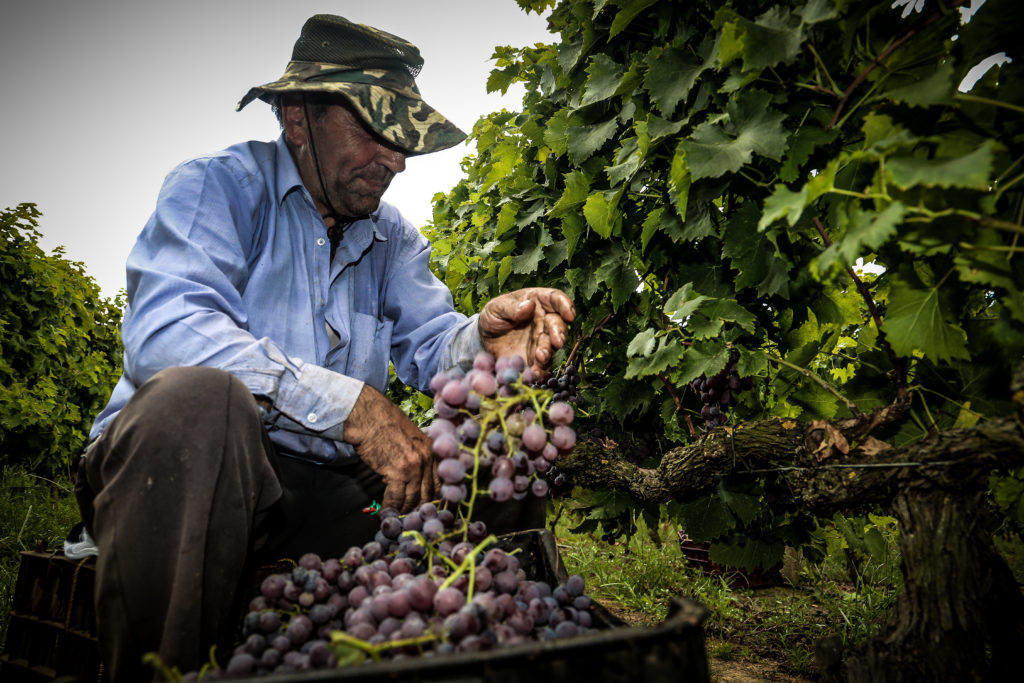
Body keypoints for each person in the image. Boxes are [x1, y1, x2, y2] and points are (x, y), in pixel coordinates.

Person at [73, 13, 575, 681]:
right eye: (372, 130)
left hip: (324, 495)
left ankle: (467, 645)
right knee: (199, 400)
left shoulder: (390, 236)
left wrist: (482, 340)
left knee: (500, 433)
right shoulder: (218, 188)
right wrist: (352, 406)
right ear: (296, 118)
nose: (394, 159)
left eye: (400, 140)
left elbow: (432, 343)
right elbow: (166, 334)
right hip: (194, 477)